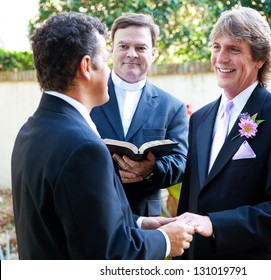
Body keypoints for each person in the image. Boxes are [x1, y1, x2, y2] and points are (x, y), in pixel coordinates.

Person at [11, 12, 194, 260]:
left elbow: (75, 223)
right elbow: (109, 253)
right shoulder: (84, 148)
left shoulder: (30, 130)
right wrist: (165, 239)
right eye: (106, 59)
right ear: (87, 67)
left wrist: (138, 224)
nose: (110, 69)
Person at [176, 7, 271, 260]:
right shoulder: (199, 119)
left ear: (260, 59)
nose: (220, 58)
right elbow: (190, 203)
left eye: (234, 49)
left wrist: (215, 224)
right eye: (216, 47)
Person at [90, 13, 188, 217]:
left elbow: (181, 161)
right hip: (93, 211)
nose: (131, 54)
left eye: (140, 47)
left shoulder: (172, 106)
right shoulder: (87, 96)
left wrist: (152, 169)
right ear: (112, 50)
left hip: (145, 216)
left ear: (153, 53)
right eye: (124, 46)